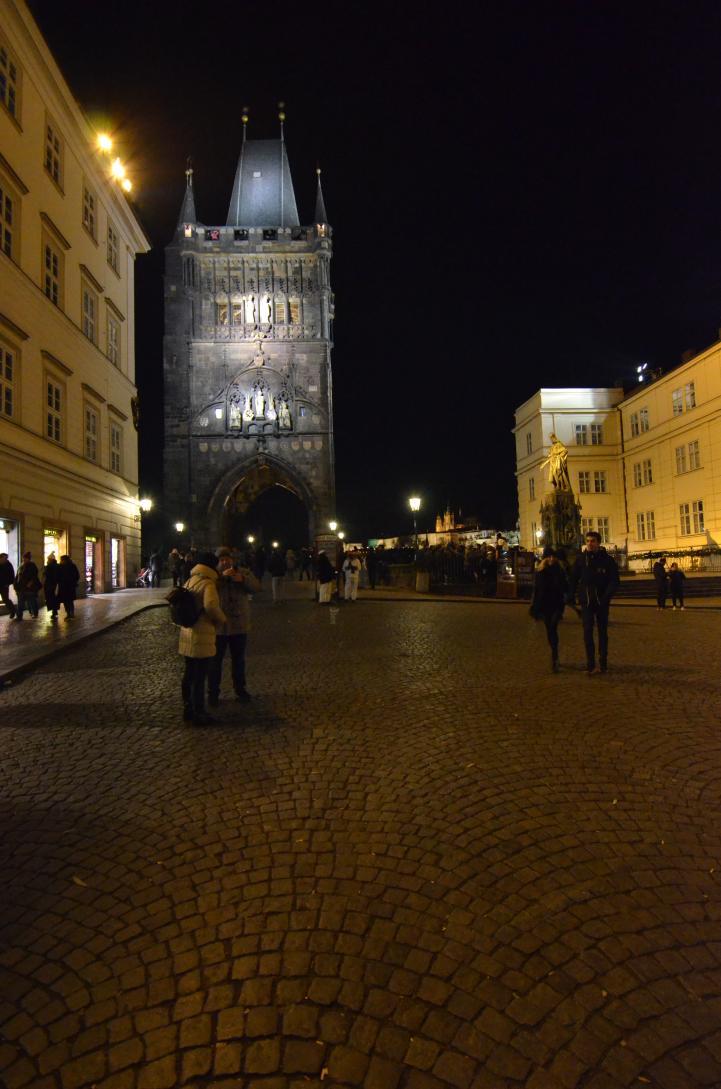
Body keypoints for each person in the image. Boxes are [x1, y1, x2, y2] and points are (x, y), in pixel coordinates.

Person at [178, 550, 226, 724]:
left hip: (187, 632)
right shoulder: (208, 583)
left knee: (189, 673)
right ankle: (199, 712)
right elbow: (211, 606)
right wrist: (222, 620)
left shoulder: (191, 580)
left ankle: (188, 708)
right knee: (200, 676)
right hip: (202, 632)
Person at [208, 548, 260, 706]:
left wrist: (242, 579)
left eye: (227, 559)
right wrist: (221, 579)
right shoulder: (213, 575)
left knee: (239, 660)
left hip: (239, 625)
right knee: (215, 661)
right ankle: (213, 692)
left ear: (233, 560)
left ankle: (240, 689)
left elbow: (256, 587)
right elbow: (207, 590)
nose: (225, 562)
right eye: (222, 559)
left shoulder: (243, 572)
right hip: (219, 626)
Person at [568, 531, 620, 674]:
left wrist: (606, 597)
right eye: (588, 541)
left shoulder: (607, 560)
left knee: (602, 633)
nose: (590, 543)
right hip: (586, 601)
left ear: (598, 543)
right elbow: (573, 579)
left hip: (602, 602)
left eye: (593, 541)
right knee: (587, 632)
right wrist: (571, 595)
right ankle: (590, 664)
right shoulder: (581, 559)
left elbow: (614, 581)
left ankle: (603, 663)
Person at [529, 547, 568, 672]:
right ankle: (554, 652)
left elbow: (565, 587)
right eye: (549, 556)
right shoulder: (540, 572)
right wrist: (534, 607)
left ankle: (554, 656)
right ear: (545, 558)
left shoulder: (560, 571)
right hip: (544, 605)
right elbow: (536, 591)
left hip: (556, 604)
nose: (551, 559)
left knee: (553, 627)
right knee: (549, 630)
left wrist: (566, 599)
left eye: (553, 556)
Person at [14, 551, 41, 620]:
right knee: (20, 602)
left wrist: (30, 584)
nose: (24, 560)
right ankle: (19, 616)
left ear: (29, 559)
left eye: (25, 558)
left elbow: (34, 576)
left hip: (29, 588)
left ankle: (35, 613)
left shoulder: (32, 565)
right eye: (23, 558)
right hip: (22, 587)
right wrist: (16, 585)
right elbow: (18, 576)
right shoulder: (21, 566)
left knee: (32, 601)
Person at [56, 554, 80, 619]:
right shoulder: (72, 566)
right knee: (69, 601)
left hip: (65, 586)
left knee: (67, 601)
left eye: (61, 560)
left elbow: (57, 576)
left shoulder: (61, 566)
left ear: (64, 560)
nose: (61, 561)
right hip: (69, 586)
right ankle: (70, 613)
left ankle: (69, 613)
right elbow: (77, 576)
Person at [42, 553, 60, 620]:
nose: (47, 560)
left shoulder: (49, 566)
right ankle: (55, 611)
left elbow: (45, 575)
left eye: (48, 559)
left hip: (50, 585)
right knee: (55, 598)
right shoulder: (58, 566)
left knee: (51, 598)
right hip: (56, 584)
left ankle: (54, 612)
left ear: (51, 560)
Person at [0, 552, 16, 618]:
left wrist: (8, 583)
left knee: (5, 599)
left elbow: (12, 575)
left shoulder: (8, 565)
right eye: (4, 558)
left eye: (6, 558)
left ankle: (12, 611)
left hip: (4, 585)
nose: (5, 559)